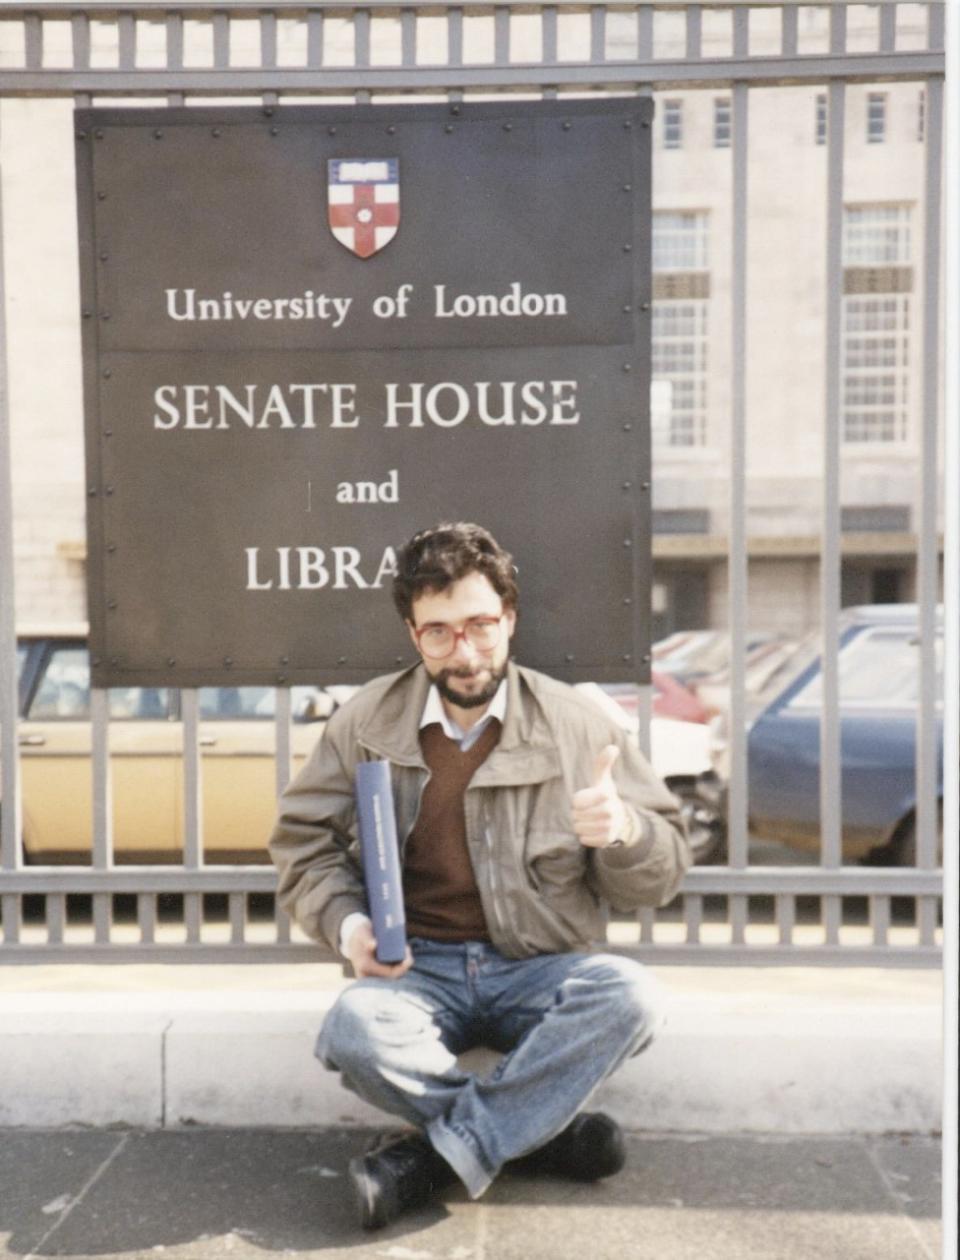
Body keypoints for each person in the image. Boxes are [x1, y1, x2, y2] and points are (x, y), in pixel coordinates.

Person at [269, 522, 690, 1230]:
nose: (463, 653)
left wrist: (623, 832)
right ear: (413, 634)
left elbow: (661, 872)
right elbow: (302, 843)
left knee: (631, 996)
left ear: (510, 618)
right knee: (352, 1029)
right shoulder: (365, 722)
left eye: (480, 626)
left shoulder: (579, 723)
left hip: (540, 966)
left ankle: (434, 1160)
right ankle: (541, 1136)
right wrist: (350, 927)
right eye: (439, 632)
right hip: (417, 971)